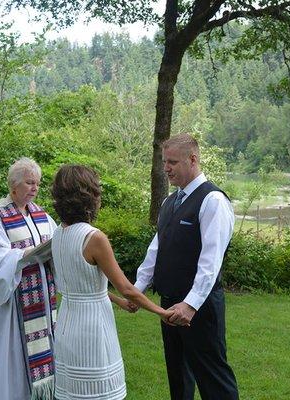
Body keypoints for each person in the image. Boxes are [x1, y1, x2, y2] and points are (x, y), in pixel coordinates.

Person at [50, 164, 173, 399]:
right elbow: (127, 287)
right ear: (89, 196)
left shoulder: (58, 234)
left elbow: (84, 287)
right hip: (93, 328)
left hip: (66, 324)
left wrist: (119, 302)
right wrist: (162, 312)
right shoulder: (94, 238)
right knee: (100, 393)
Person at [135, 133, 239, 400]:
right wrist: (137, 289)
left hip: (200, 309)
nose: (166, 168)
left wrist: (191, 304)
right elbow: (156, 249)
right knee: (178, 380)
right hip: (168, 304)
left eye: (172, 162)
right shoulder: (169, 202)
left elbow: (211, 261)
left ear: (193, 160)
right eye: (164, 162)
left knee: (213, 378)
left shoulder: (212, 201)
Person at [0, 157, 58, 400]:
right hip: (12, 305)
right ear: (13, 185)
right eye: (29, 183)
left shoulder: (41, 216)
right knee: (11, 356)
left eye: (38, 183)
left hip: (42, 301)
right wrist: (24, 256)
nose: (35, 188)